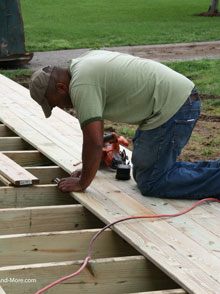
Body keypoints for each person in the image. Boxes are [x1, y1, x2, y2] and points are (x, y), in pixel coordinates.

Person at [29, 50, 220, 199]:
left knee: (152, 181)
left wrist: (82, 182)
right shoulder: (81, 65)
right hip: (169, 103)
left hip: (175, 107)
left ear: (61, 88)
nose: (61, 107)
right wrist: (90, 168)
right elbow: (97, 135)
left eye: (54, 103)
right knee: (146, 171)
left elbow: (94, 142)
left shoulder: (81, 85)